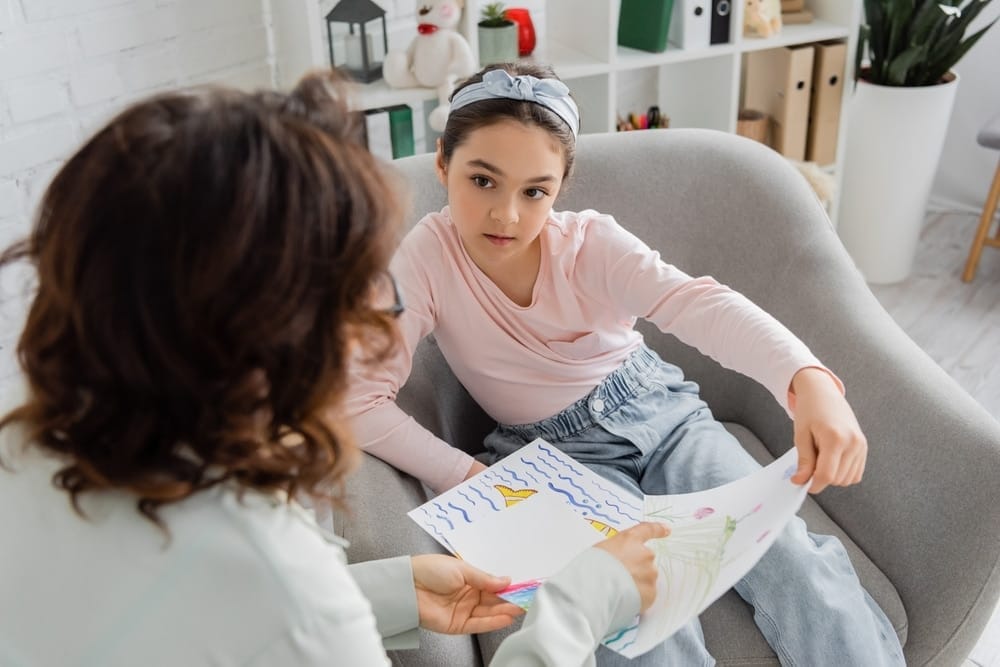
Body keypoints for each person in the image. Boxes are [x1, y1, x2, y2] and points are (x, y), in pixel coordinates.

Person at [0, 70, 670, 666]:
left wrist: (378, 592)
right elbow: (268, 610)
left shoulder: (23, 443)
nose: (372, 328)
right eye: (355, 292)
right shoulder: (289, 591)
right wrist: (581, 605)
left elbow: (181, 615)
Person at [345, 62, 907, 666]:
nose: (506, 214)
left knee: (790, 561)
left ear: (559, 187)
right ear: (442, 165)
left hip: (662, 417)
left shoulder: (589, 244)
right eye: (483, 181)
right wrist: (466, 476)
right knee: (636, 622)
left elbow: (698, 305)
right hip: (551, 461)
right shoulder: (425, 258)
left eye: (535, 191)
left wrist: (806, 377)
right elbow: (356, 401)